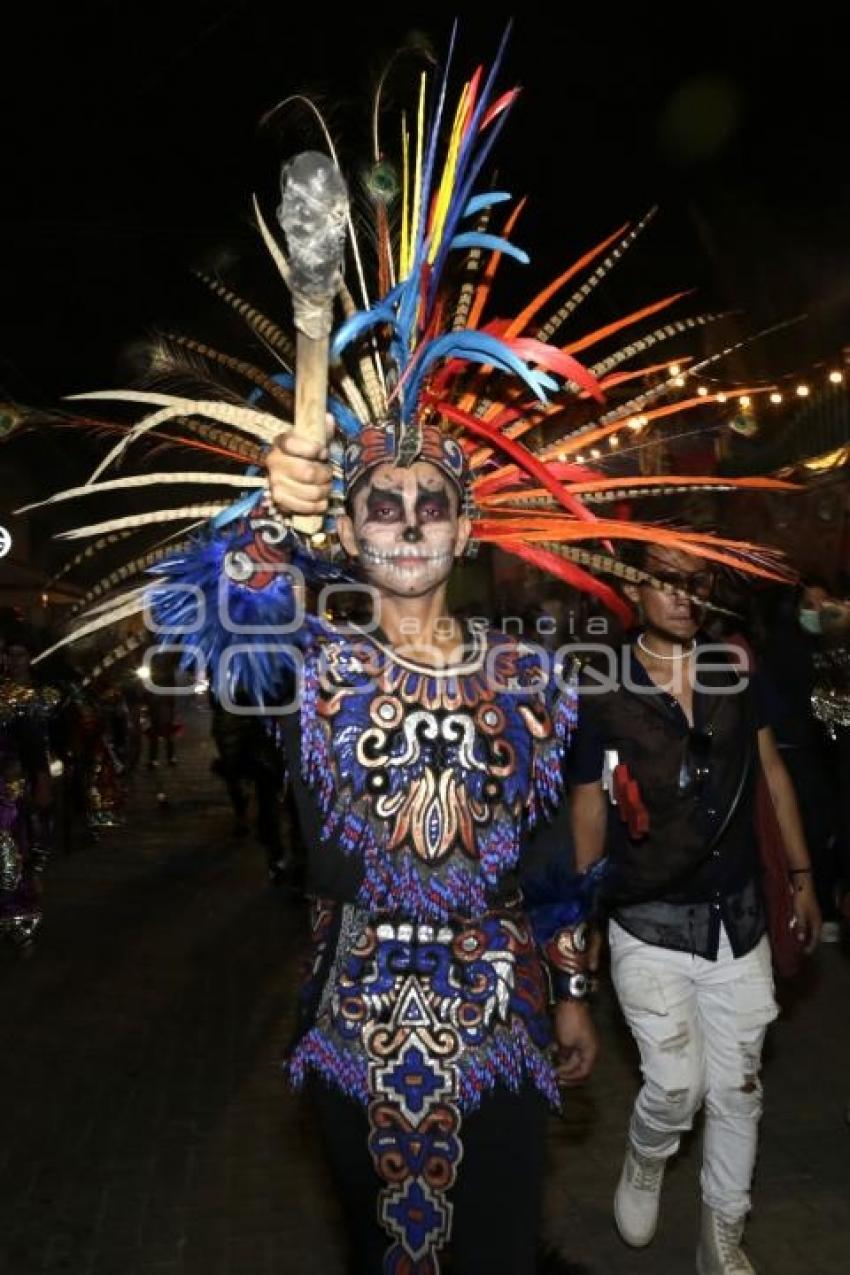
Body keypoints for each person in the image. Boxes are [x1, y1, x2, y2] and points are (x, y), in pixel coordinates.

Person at [34, 33, 802, 1272]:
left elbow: (554, 851)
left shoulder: (527, 677)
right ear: (347, 526)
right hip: (354, 1022)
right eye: (377, 506)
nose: (403, 522)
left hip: (498, 1014)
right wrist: (261, 518)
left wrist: (564, 986)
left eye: (428, 505)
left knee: (495, 1244)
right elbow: (223, 627)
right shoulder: (312, 660)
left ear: (463, 527)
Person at [569, 544, 821, 1275]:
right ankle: (647, 1154)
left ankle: (722, 1236)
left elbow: (772, 771)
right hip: (645, 914)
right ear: (629, 586)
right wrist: (582, 916)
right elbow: (588, 805)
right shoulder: (600, 682)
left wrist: (801, 873)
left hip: (737, 913)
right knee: (677, 1085)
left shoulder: (734, 667)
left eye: (696, 583)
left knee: (740, 1084)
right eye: (665, 582)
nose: (684, 597)